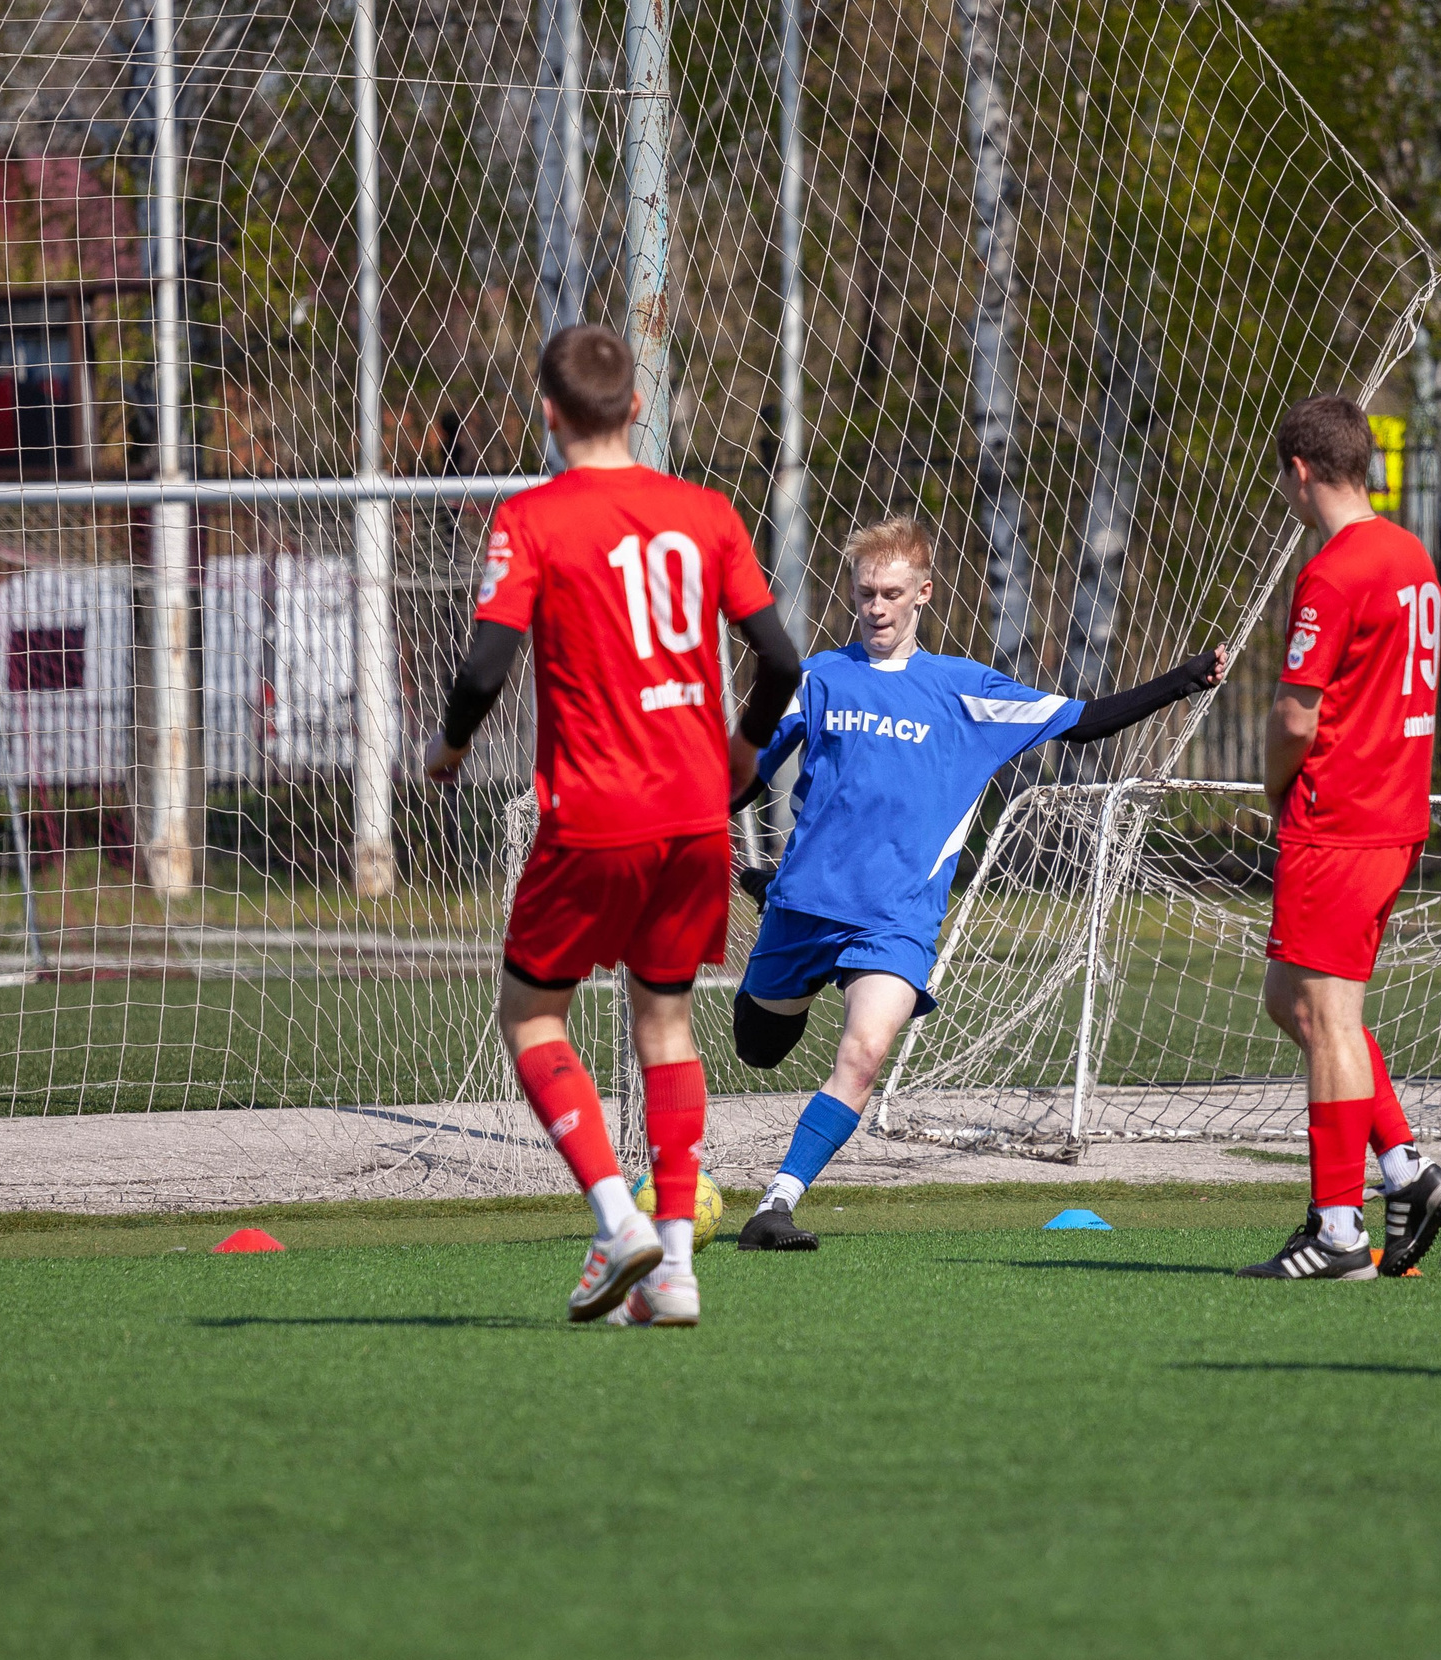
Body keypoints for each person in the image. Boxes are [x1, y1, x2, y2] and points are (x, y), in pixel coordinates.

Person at [423, 323, 804, 1327]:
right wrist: (743, 752)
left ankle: (613, 1217)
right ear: (636, 406)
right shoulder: (706, 512)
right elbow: (781, 659)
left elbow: (483, 668)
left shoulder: (532, 518)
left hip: (595, 813)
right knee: (665, 1023)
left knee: (530, 1014)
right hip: (695, 816)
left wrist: (450, 748)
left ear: (548, 414)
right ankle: (674, 1269)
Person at [727, 514, 1225, 1251]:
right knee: (759, 1048)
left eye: (893, 594)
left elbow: (1083, 721)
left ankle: (777, 1203)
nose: (876, 608)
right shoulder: (819, 678)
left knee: (863, 1055)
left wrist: (1180, 681)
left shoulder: (965, 692)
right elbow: (744, 777)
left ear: (924, 593)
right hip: (804, 905)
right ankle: (774, 904)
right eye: (865, 593)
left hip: (896, 919)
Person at [1235, 392, 1441, 1284]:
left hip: (1340, 818)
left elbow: (1297, 713)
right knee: (1291, 1001)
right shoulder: (1412, 554)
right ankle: (1405, 1166)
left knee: (1327, 1018)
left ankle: (1337, 1229)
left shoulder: (1333, 571)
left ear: (1299, 471)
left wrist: (1274, 787)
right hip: (1394, 813)